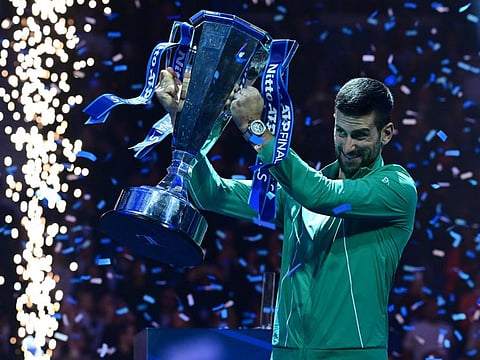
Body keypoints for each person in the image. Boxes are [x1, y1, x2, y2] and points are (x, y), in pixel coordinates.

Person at [156, 67, 418, 359]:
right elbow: (211, 194)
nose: (348, 146)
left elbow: (321, 196)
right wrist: (185, 123)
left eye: (360, 135)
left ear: (387, 134)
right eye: (341, 132)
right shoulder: (300, 188)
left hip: (351, 354)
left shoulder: (395, 188)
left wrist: (254, 128)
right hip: (286, 352)